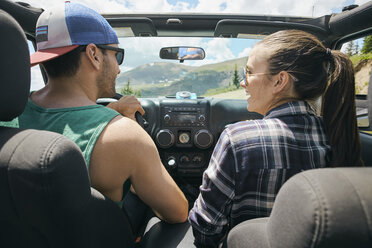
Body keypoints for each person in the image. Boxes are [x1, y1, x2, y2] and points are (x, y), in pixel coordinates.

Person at [0, 2, 188, 225]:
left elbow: (64, 123)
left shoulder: (8, 119)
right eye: (117, 55)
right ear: (94, 55)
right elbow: (178, 212)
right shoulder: (126, 136)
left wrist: (110, 112)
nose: (118, 69)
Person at [188, 29, 364, 247]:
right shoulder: (339, 135)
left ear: (279, 81)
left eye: (249, 73)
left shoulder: (236, 139)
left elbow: (205, 228)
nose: (243, 82)